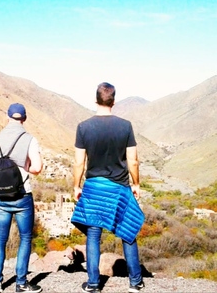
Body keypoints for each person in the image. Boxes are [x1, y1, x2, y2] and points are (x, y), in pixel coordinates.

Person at [71, 82, 145, 293]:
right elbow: (133, 161)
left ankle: (93, 284)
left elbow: (79, 163)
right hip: (119, 187)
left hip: (93, 187)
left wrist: (76, 186)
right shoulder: (125, 126)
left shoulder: (83, 127)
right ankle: (135, 282)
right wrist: (136, 183)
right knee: (128, 231)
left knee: (93, 235)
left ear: (96, 100)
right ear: (114, 101)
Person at [0, 103, 43, 293]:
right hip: (23, 196)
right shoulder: (29, 139)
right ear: (24, 119)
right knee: (25, 237)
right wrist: (22, 167)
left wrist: (2, 168)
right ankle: (21, 283)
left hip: (1, 196)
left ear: (7, 117)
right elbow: (37, 168)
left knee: (1, 238)